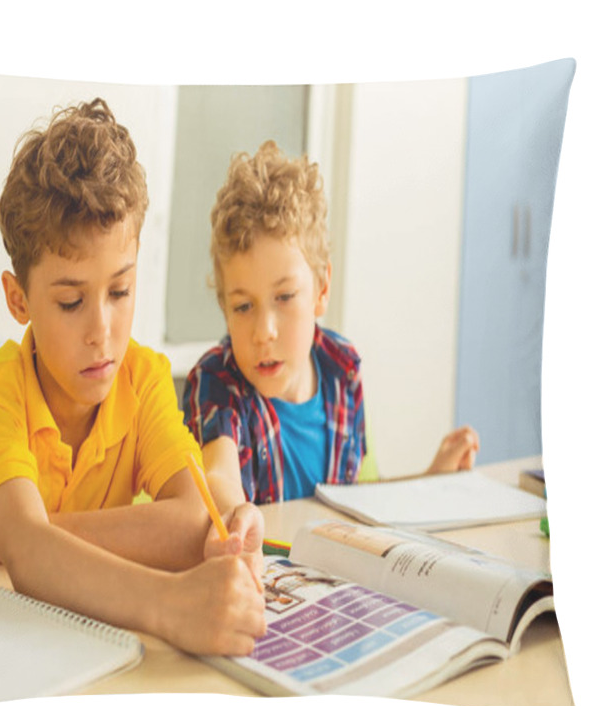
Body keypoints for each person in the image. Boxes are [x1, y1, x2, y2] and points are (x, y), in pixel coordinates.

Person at [0, 99, 265, 656]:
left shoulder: (142, 378)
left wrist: (34, 537)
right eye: (71, 302)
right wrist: (170, 603)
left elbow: (195, 520)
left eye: (120, 292)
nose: (102, 331)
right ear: (18, 299)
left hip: (102, 644)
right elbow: (27, 561)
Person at [183, 140, 479, 508]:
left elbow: (361, 499)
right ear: (224, 306)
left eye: (284, 297)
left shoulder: (343, 369)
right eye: (243, 306)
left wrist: (430, 481)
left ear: (321, 288)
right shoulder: (216, 382)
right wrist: (234, 515)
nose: (264, 332)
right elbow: (219, 477)